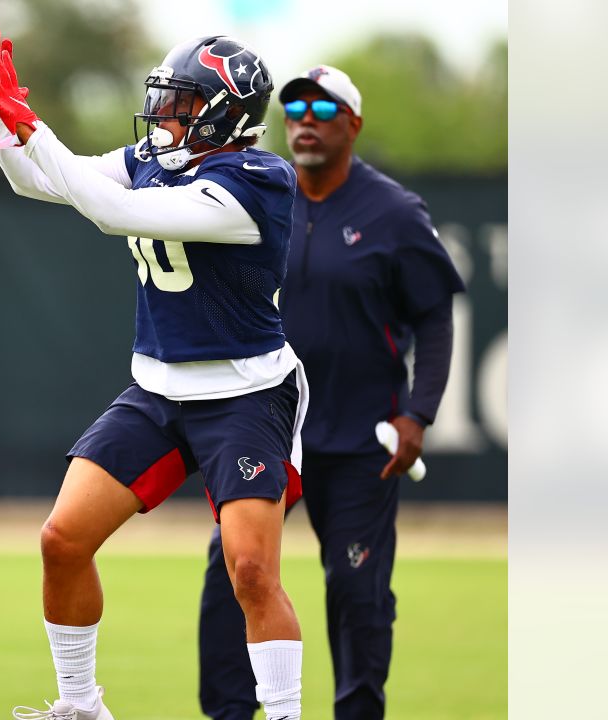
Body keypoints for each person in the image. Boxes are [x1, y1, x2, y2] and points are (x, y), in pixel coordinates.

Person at [0, 30, 308, 720]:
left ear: (227, 113)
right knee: (63, 540)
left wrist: (34, 125)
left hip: (245, 393)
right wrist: (0, 119)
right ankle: (82, 706)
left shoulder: (257, 183)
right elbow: (41, 180)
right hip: (160, 387)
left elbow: (114, 212)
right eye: (166, 100)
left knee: (252, 572)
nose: (166, 115)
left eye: (182, 104)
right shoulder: (153, 156)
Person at [196, 66, 466, 720]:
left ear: (354, 123)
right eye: (294, 108)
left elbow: (433, 316)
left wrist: (418, 414)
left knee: (357, 590)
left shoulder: (395, 213)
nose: (304, 118)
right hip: (266, 428)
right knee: (233, 578)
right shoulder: (263, 194)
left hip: (356, 438)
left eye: (322, 106)